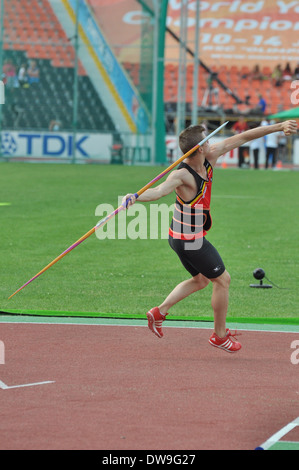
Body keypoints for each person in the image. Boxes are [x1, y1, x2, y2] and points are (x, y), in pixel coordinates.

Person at [123, 119, 298, 353]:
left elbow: (244, 137)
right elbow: (158, 191)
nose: (212, 142)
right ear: (199, 149)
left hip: (181, 236)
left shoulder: (210, 156)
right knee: (222, 280)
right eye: (207, 140)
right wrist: (135, 196)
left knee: (202, 280)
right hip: (189, 240)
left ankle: (159, 312)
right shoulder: (181, 176)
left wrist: (278, 126)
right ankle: (219, 335)